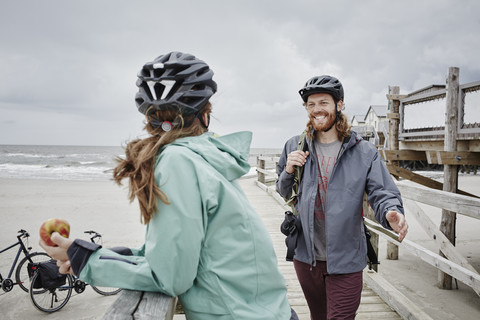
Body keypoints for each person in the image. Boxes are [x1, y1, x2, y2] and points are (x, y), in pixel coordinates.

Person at [40, 51, 297, 320]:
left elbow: (170, 277)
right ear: (205, 114)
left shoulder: (178, 161)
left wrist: (88, 262)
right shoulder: (206, 158)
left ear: (149, 120)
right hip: (267, 311)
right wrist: (92, 255)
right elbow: (173, 254)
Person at [276, 75, 408, 320]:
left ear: (339, 105)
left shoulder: (363, 151)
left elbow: (382, 191)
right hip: (307, 259)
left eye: (323, 103)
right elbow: (283, 191)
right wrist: (288, 171)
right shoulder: (295, 145)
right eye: (311, 104)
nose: (317, 110)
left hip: (346, 259)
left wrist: (391, 211)